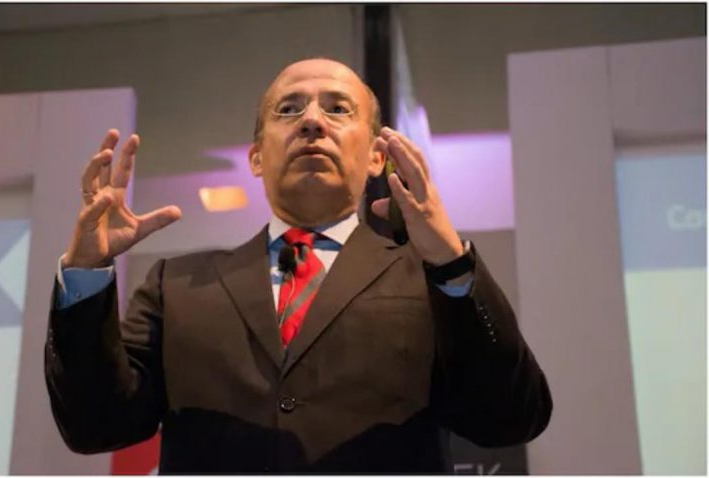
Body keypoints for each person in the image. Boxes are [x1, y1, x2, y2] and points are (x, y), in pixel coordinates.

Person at [45, 58, 552, 473]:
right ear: (256, 157)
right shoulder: (177, 286)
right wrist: (86, 270)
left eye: (338, 108)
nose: (312, 121)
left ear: (376, 157)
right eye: (288, 109)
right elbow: (96, 425)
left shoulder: (429, 277)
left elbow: (510, 418)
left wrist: (450, 261)